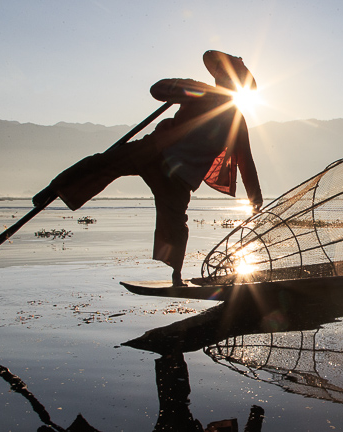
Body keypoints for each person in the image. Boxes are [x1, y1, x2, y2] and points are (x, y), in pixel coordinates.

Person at [36, 51, 263, 286]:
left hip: (179, 178)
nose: (223, 79)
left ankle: (176, 276)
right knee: (103, 163)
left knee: (175, 223)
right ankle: (55, 189)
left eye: (230, 77)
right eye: (221, 74)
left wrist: (255, 197)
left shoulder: (236, 119)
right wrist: (181, 88)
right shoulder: (199, 91)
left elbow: (246, 160)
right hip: (153, 152)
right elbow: (158, 90)